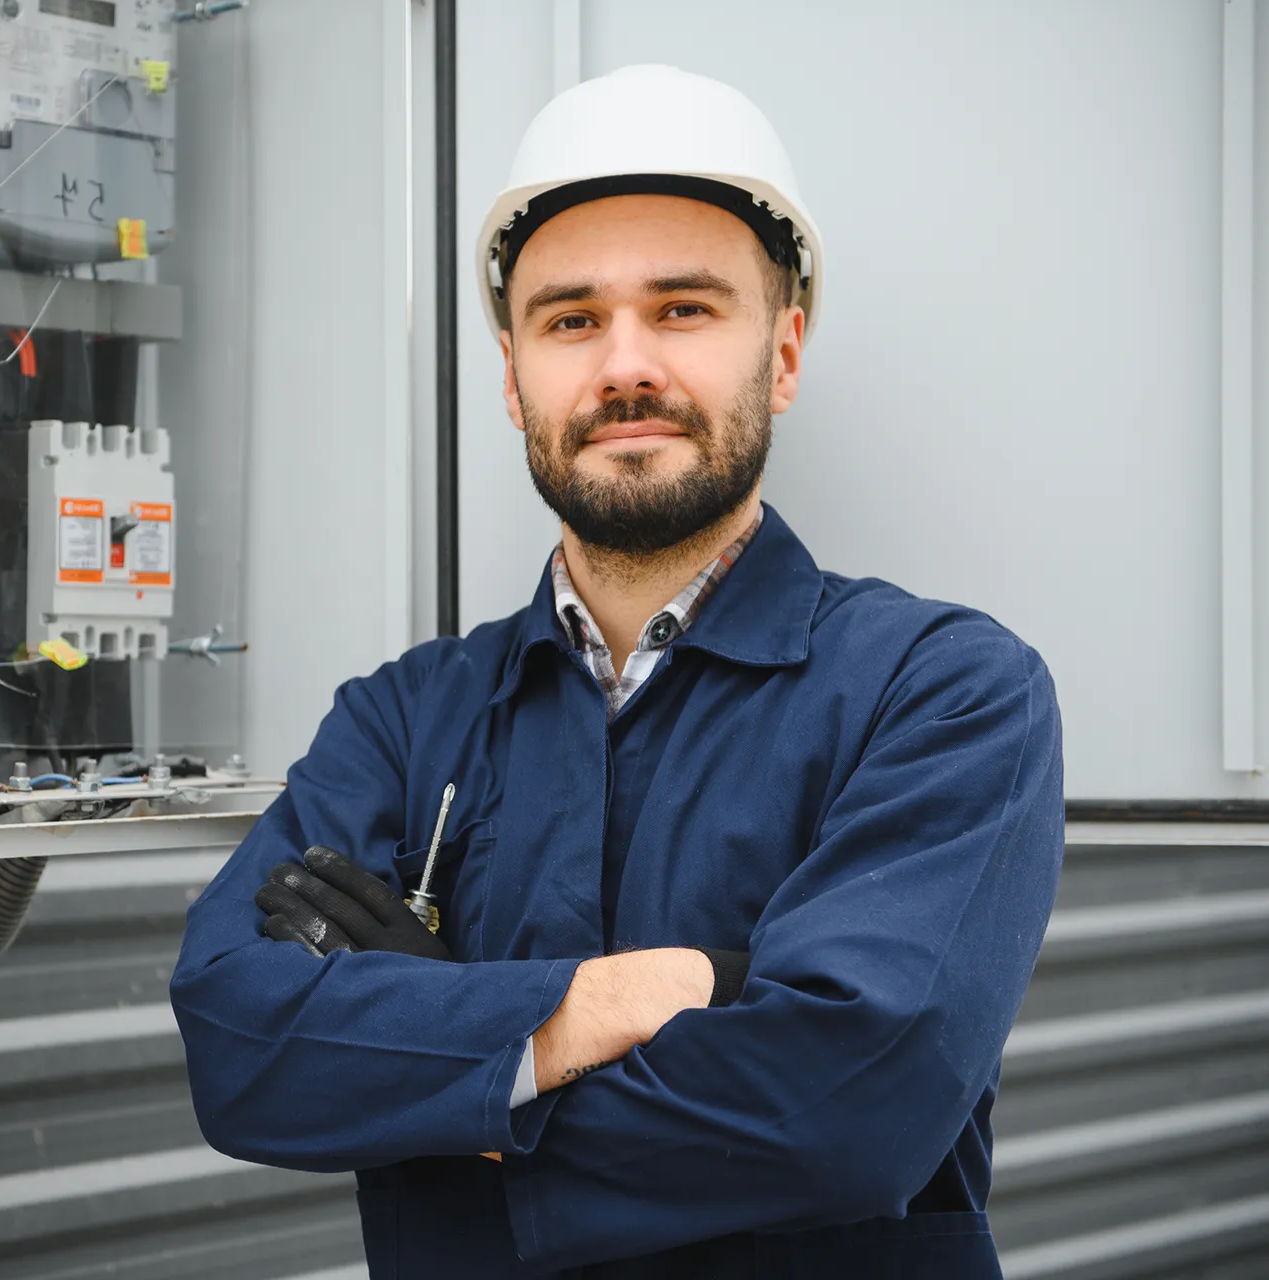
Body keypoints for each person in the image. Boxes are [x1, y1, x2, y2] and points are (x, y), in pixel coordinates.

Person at [169, 64, 1063, 1278]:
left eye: (685, 309)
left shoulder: (945, 690)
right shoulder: (402, 716)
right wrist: (633, 998)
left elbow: (845, 1113)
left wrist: (450, 1061)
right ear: (512, 374)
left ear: (783, 353)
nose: (624, 365)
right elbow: (239, 1043)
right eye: (571, 318)